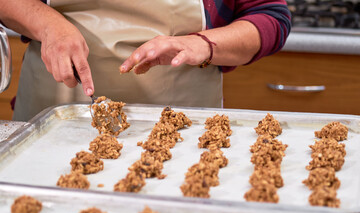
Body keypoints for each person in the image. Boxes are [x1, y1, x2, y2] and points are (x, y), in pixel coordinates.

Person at [0, 0, 291, 121]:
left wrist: (200, 43)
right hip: (54, 117)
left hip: (181, 132)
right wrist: (48, 25)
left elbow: (269, 17)